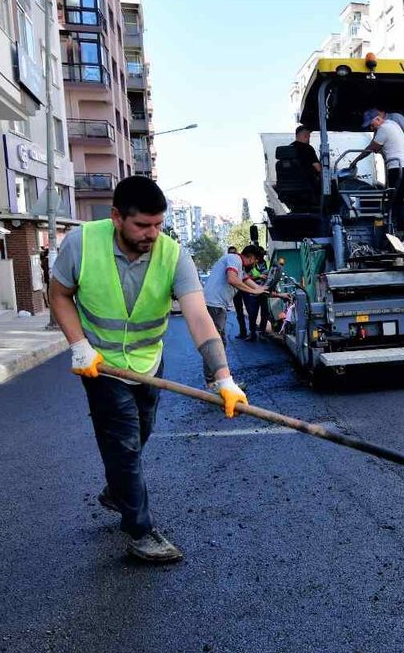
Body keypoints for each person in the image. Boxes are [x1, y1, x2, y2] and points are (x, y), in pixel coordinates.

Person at [48, 177, 247, 564]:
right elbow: (59, 295)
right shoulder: (81, 243)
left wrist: (223, 377)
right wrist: (79, 346)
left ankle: (118, 490)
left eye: (158, 224)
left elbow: (199, 317)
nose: (152, 234)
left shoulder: (174, 255)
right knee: (123, 444)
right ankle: (141, 532)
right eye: (142, 225)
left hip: (148, 364)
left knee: (141, 432)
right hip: (102, 366)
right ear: (116, 217)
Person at [202, 245, 274, 369]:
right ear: (251, 257)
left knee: (219, 343)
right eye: (255, 261)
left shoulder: (240, 268)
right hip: (213, 305)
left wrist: (277, 294)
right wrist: (254, 291)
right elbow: (232, 279)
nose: (254, 265)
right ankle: (215, 378)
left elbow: (257, 287)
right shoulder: (234, 259)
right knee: (215, 345)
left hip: (218, 306)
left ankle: (219, 376)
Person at [352, 108, 404, 236]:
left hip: (398, 168)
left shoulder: (383, 129)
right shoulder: (393, 124)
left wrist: (355, 161)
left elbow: (372, 148)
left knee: (397, 200)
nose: (371, 128)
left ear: (378, 119)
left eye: (372, 125)